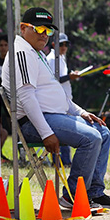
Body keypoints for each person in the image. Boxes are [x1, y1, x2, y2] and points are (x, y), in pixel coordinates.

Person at [2, 7, 110, 209]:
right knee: (91, 138)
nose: (44, 35)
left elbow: (57, 95)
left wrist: (81, 112)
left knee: (103, 132)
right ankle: (73, 196)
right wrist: (46, 133)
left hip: (53, 116)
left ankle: (93, 193)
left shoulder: (36, 53)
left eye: (48, 31)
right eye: (39, 29)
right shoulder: (22, 52)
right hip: (35, 122)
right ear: (23, 28)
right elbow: (26, 97)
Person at [46, 32, 78, 166]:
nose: (64, 47)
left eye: (66, 44)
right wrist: (70, 77)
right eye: (61, 44)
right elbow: (53, 79)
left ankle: (65, 161)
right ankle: (61, 161)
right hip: (57, 100)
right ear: (54, 45)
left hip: (64, 99)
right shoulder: (53, 58)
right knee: (63, 131)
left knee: (66, 130)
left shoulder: (60, 58)